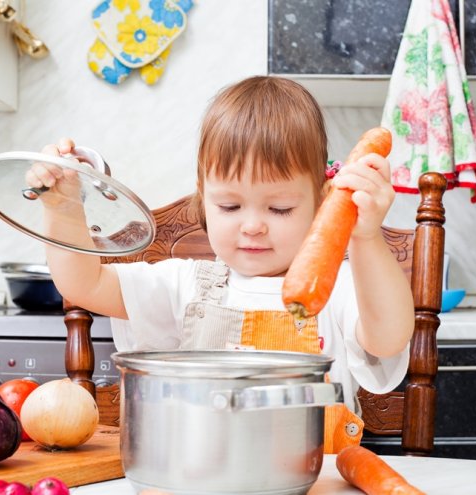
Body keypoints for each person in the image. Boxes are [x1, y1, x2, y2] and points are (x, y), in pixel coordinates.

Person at [28, 75, 415, 452]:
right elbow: (84, 284)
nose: (252, 226)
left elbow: (387, 339)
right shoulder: (186, 285)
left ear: (321, 200)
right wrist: (62, 207)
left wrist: (366, 237)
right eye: (229, 206)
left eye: (280, 208)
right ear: (205, 200)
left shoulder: (342, 288)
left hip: (316, 482)